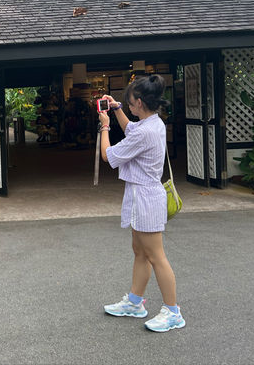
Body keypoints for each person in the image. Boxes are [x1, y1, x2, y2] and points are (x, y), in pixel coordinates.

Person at [98, 74, 185, 333]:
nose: (128, 105)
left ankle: (173, 312)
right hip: (143, 196)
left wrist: (104, 127)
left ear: (138, 102)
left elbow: (107, 156)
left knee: (156, 256)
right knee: (140, 251)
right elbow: (130, 129)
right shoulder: (152, 122)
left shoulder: (145, 131)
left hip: (145, 198)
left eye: (128, 102)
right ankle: (135, 302)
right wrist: (116, 110)